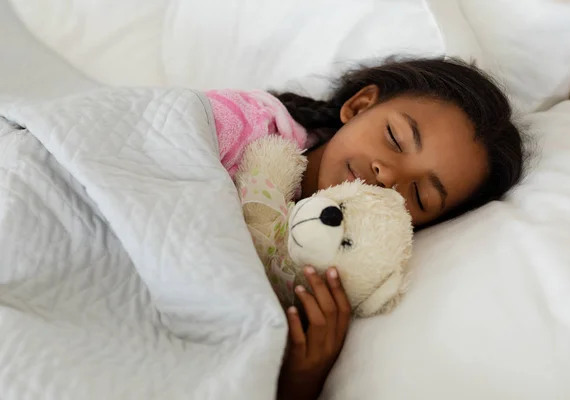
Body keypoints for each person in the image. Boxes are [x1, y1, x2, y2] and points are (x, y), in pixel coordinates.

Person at [205, 57, 524, 400]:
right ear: (359, 106)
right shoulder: (249, 124)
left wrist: (304, 377)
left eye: (419, 194)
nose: (388, 175)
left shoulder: (339, 275)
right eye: (394, 138)